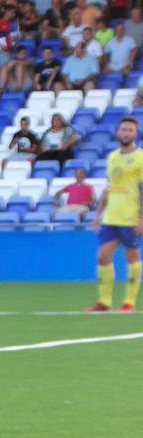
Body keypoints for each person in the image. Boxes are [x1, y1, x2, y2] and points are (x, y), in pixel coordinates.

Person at [87, 117, 143, 313]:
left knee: (132, 258)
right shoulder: (112, 157)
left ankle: (129, 302)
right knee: (102, 257)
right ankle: (104, 301)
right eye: (123, 129)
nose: (126, 133)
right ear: (118, 132)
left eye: (130, 130)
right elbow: (109, 187)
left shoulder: (140, 158)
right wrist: (98, 214)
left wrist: (142, 218)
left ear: (135, 134)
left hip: (130, 217)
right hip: (111, 217)